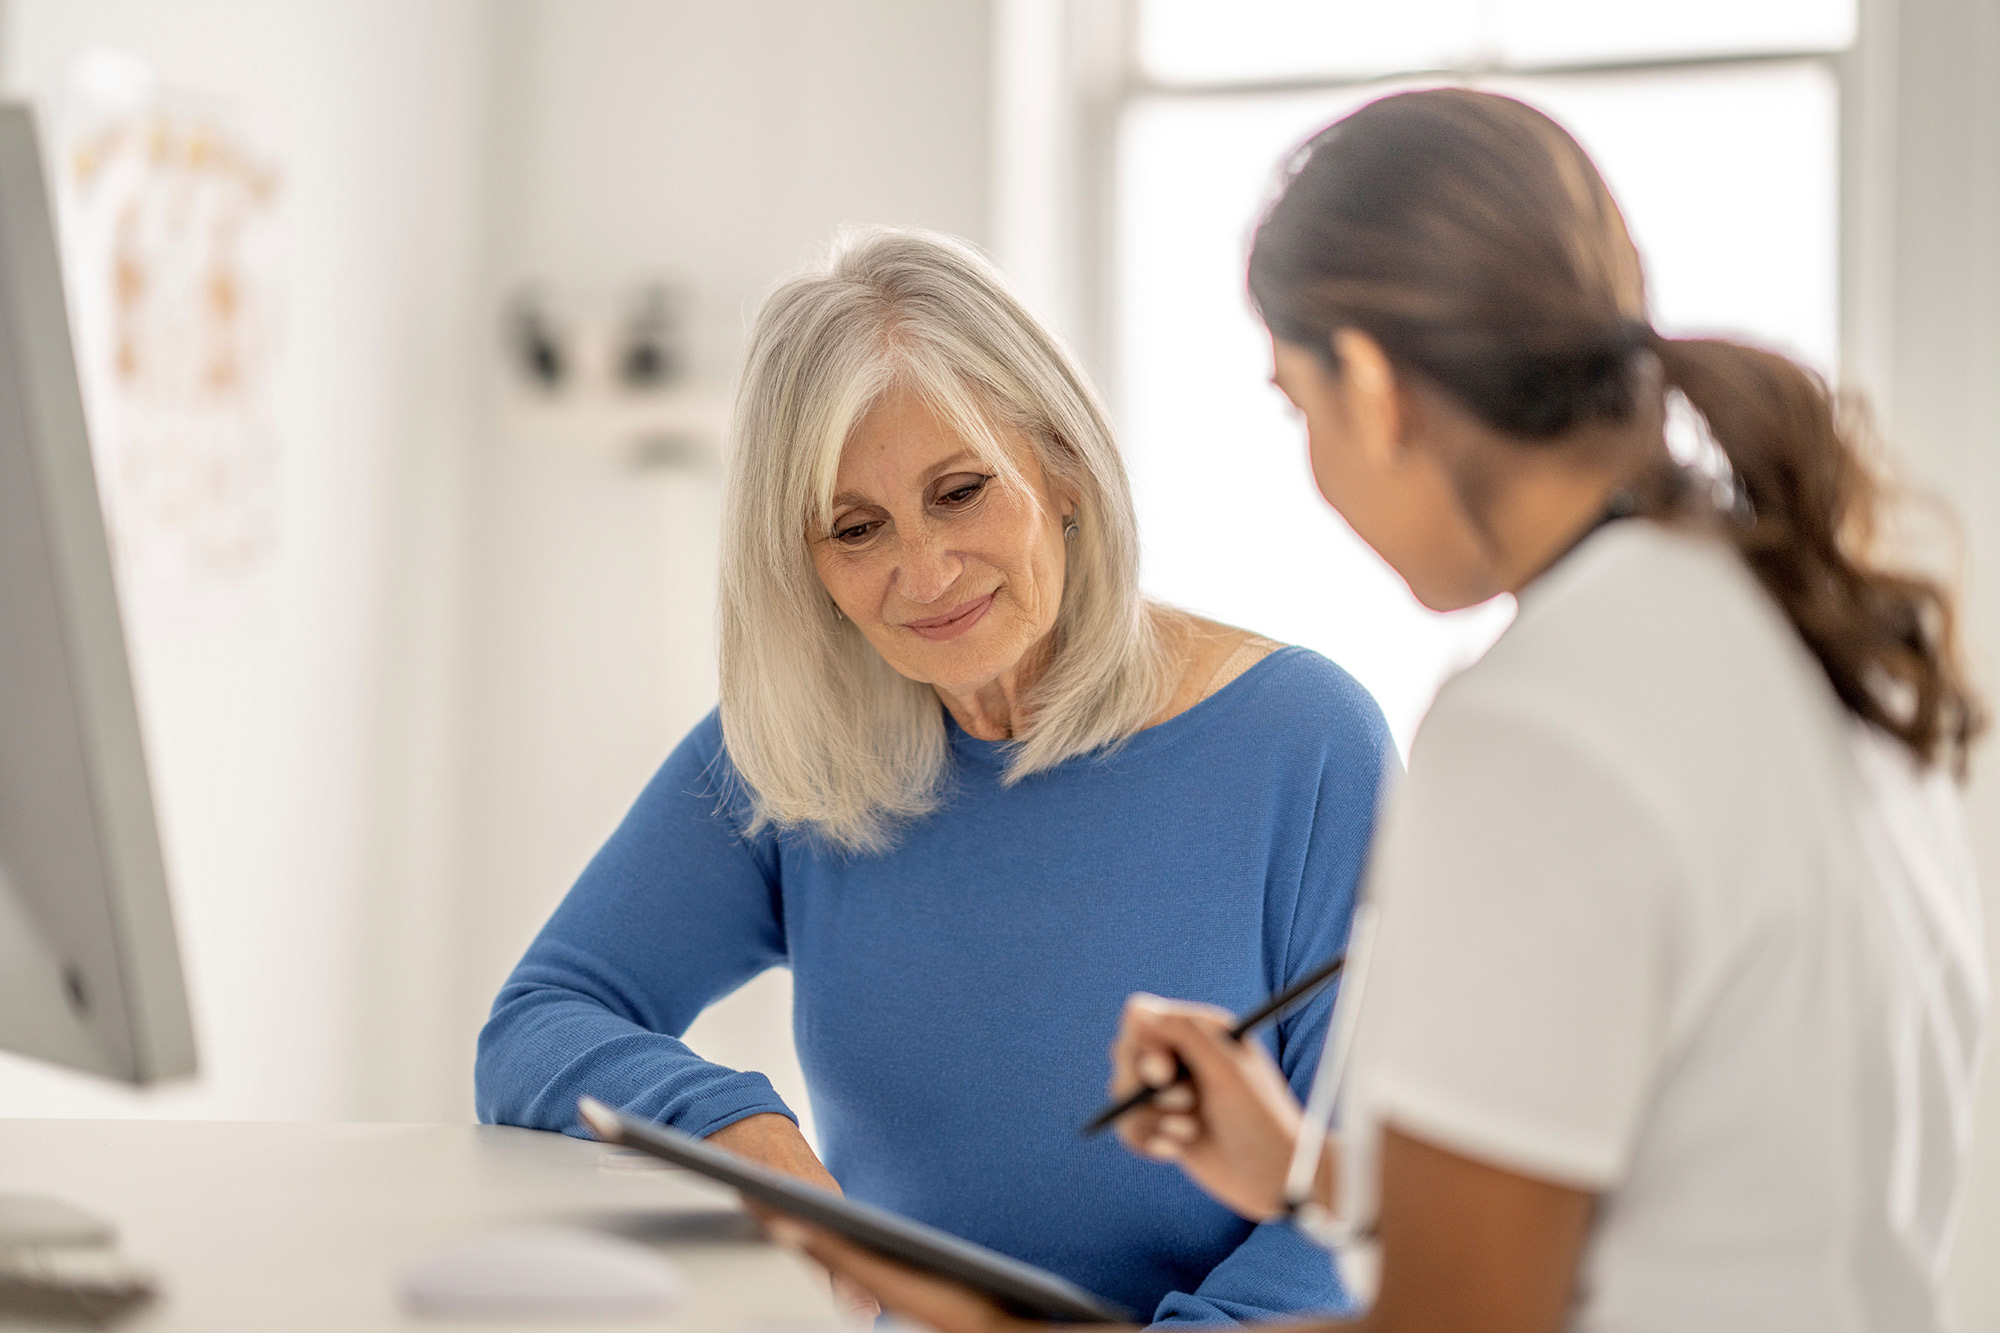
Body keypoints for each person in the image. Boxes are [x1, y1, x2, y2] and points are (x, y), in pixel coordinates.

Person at [772, 90, 1988, 1333]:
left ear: (1369, 384)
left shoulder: (1534, 727)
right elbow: (1694, 1205)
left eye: (1296, 406)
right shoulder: (1806, 628)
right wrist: (1305, 1171)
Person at [474, 228, 1395, 1324]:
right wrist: (731, 1125)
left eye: (959, 492)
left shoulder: (1305, 741)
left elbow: (1363, 1200)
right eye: (856, 528)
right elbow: (537, 1022)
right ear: (806, 566)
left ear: (1058, 467)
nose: (922, 572)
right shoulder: (796, 749)